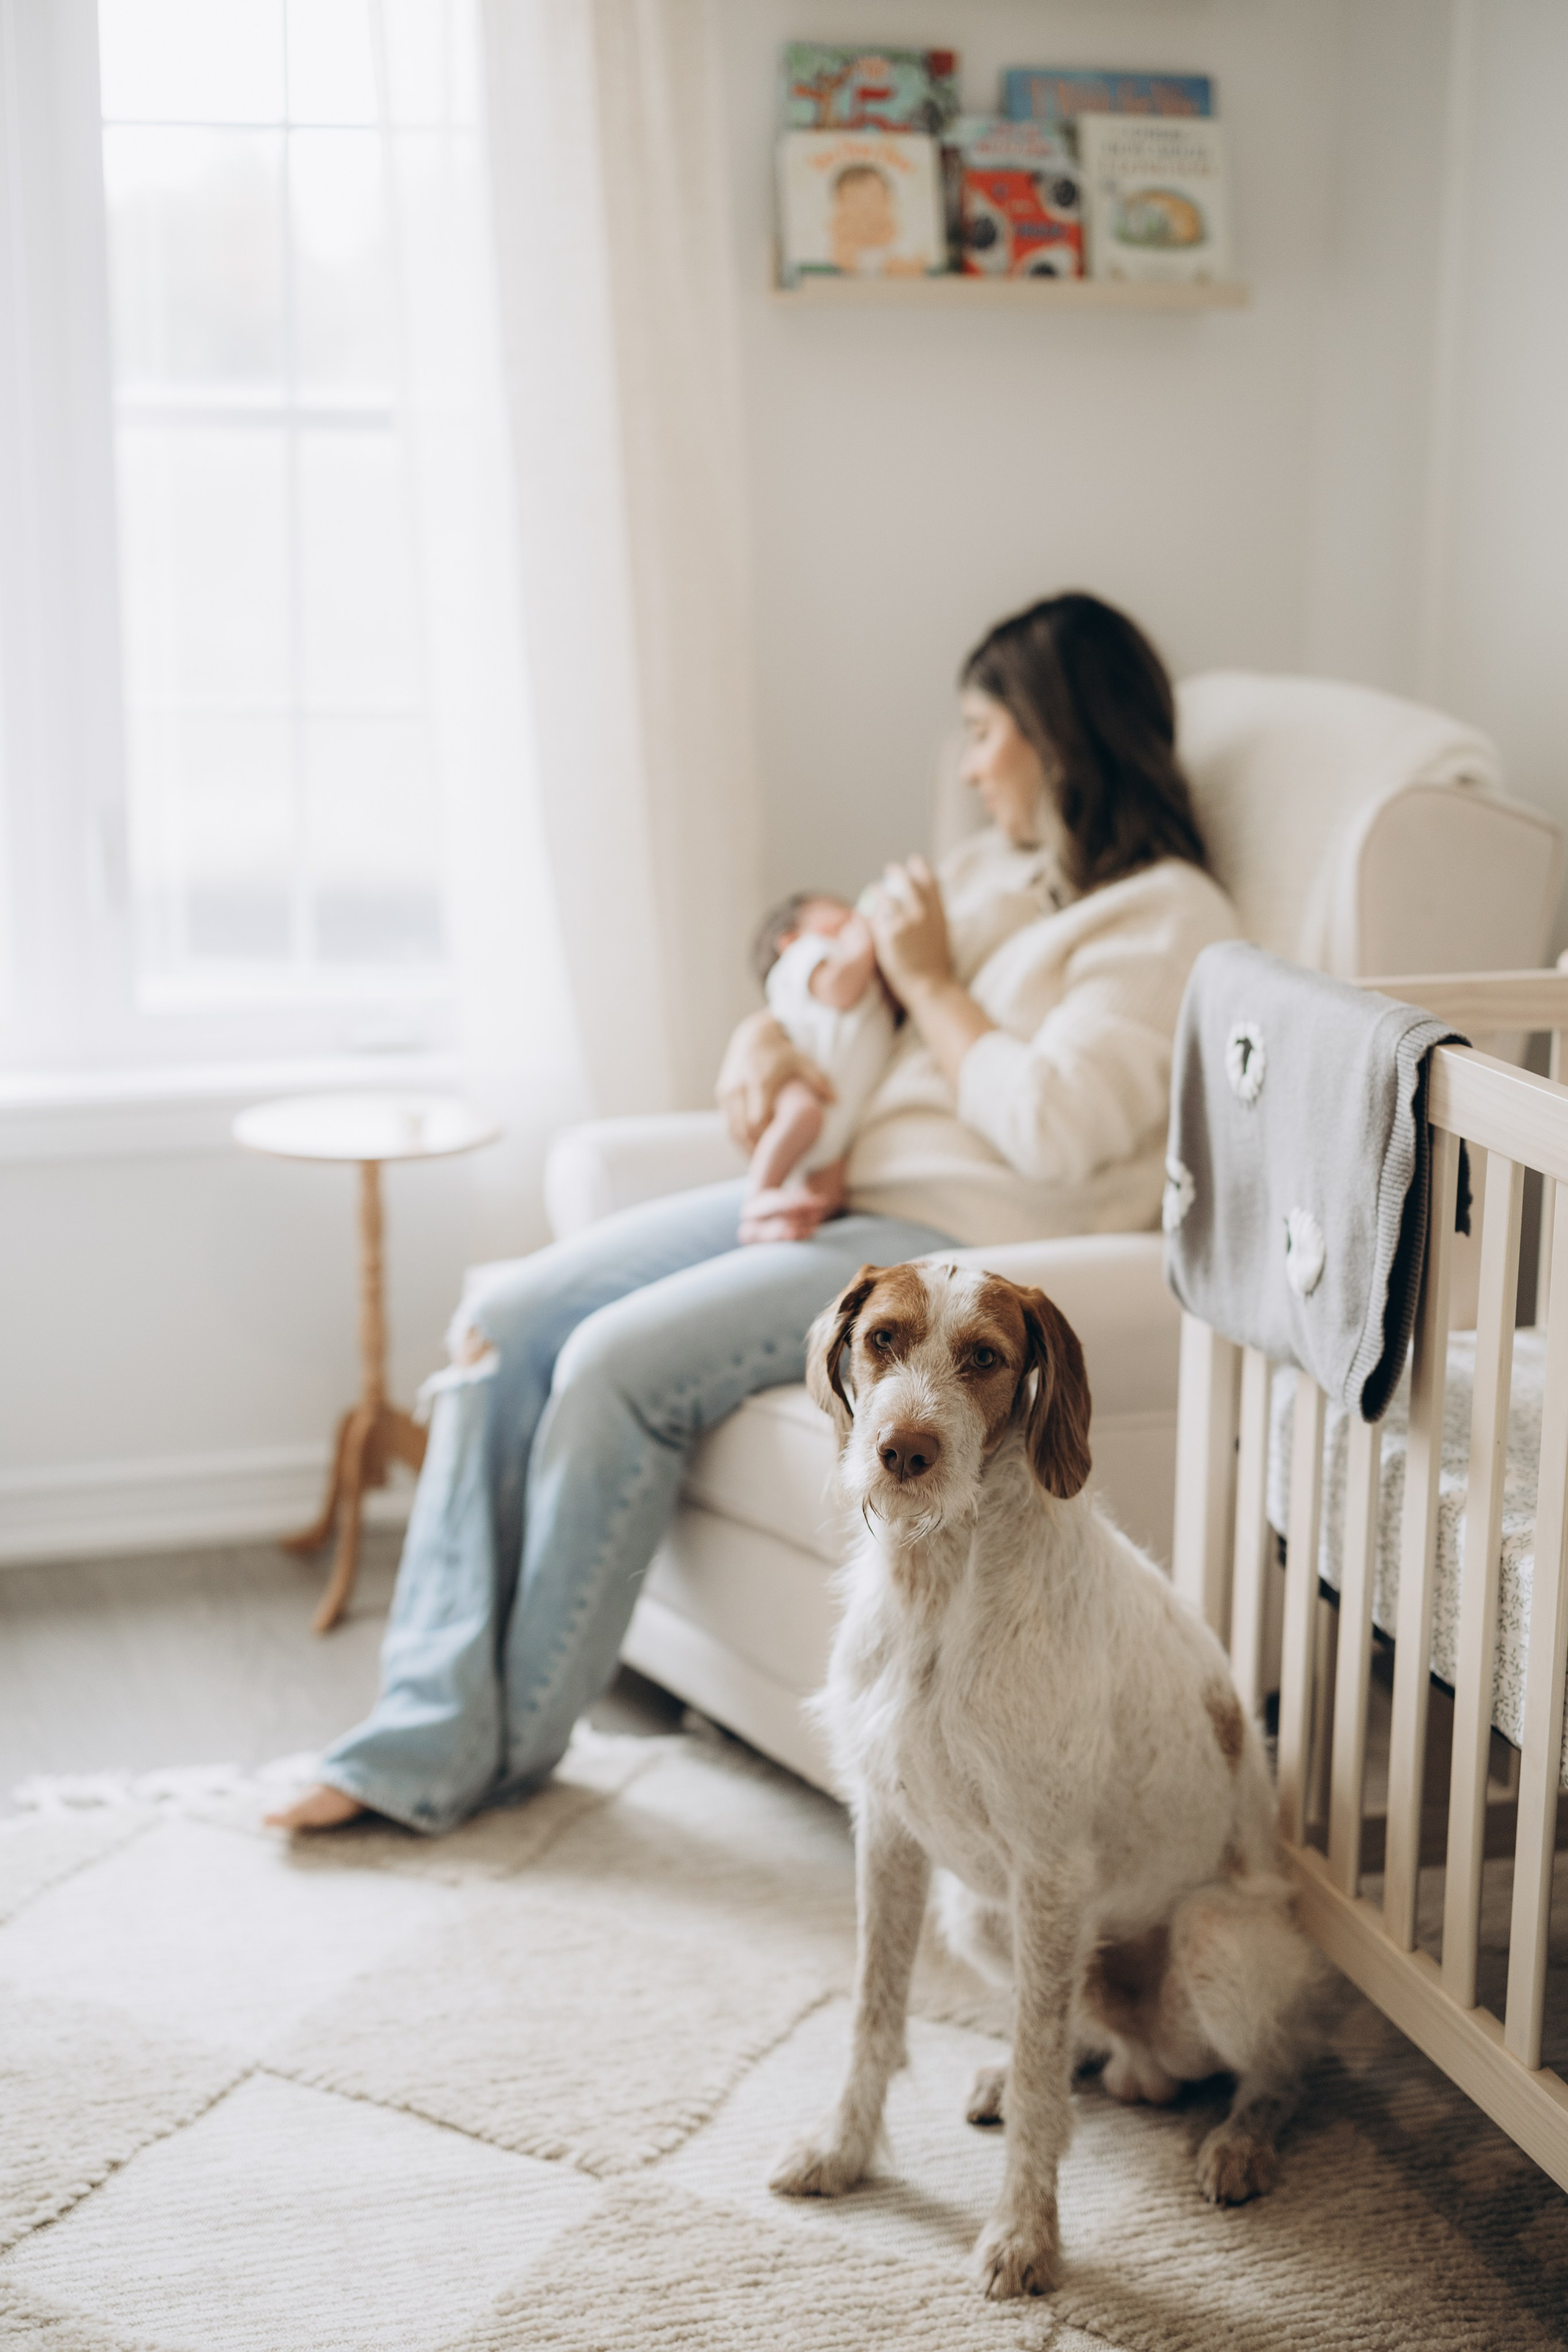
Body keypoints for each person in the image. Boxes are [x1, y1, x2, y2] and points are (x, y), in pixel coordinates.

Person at [269, 590, 1238, 1836]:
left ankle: (461, 1764)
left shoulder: (1167, 917)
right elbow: (835, 990)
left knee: (611, 1366)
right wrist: (763, 1039)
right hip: (833, 1196)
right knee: (506, 1318)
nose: (966, 766)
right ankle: (427, 1725)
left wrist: (931, 981)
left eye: (981, 730)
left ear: (1057, 735)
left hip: (939, 1250)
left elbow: (1058, 1122)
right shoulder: (986, 880)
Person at [740, 890, 895, 1245]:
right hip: (798, 1077)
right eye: (835, 912)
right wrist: (861, 945)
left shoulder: (862, 975)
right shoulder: (807, 955)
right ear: (789, 939)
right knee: (802, 1115)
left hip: (837, 1115)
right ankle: (758, 1195)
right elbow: (839, 990)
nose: (850, 914)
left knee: (827, 1198)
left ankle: (777, 1224)